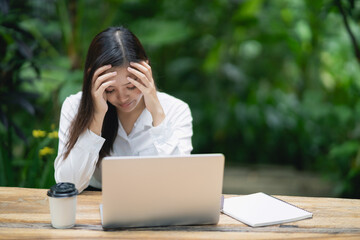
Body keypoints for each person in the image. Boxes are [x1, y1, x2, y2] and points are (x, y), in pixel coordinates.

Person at [54, 26, 193, 193]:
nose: (122, 98)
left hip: (156, 202)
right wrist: (97, 117)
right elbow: (69, 184)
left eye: (131, 86)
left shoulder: (176, 110)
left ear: (145, 70)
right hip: (94, 206)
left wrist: (157, 112)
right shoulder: (74, 107)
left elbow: (180, 182)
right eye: (110, 90)